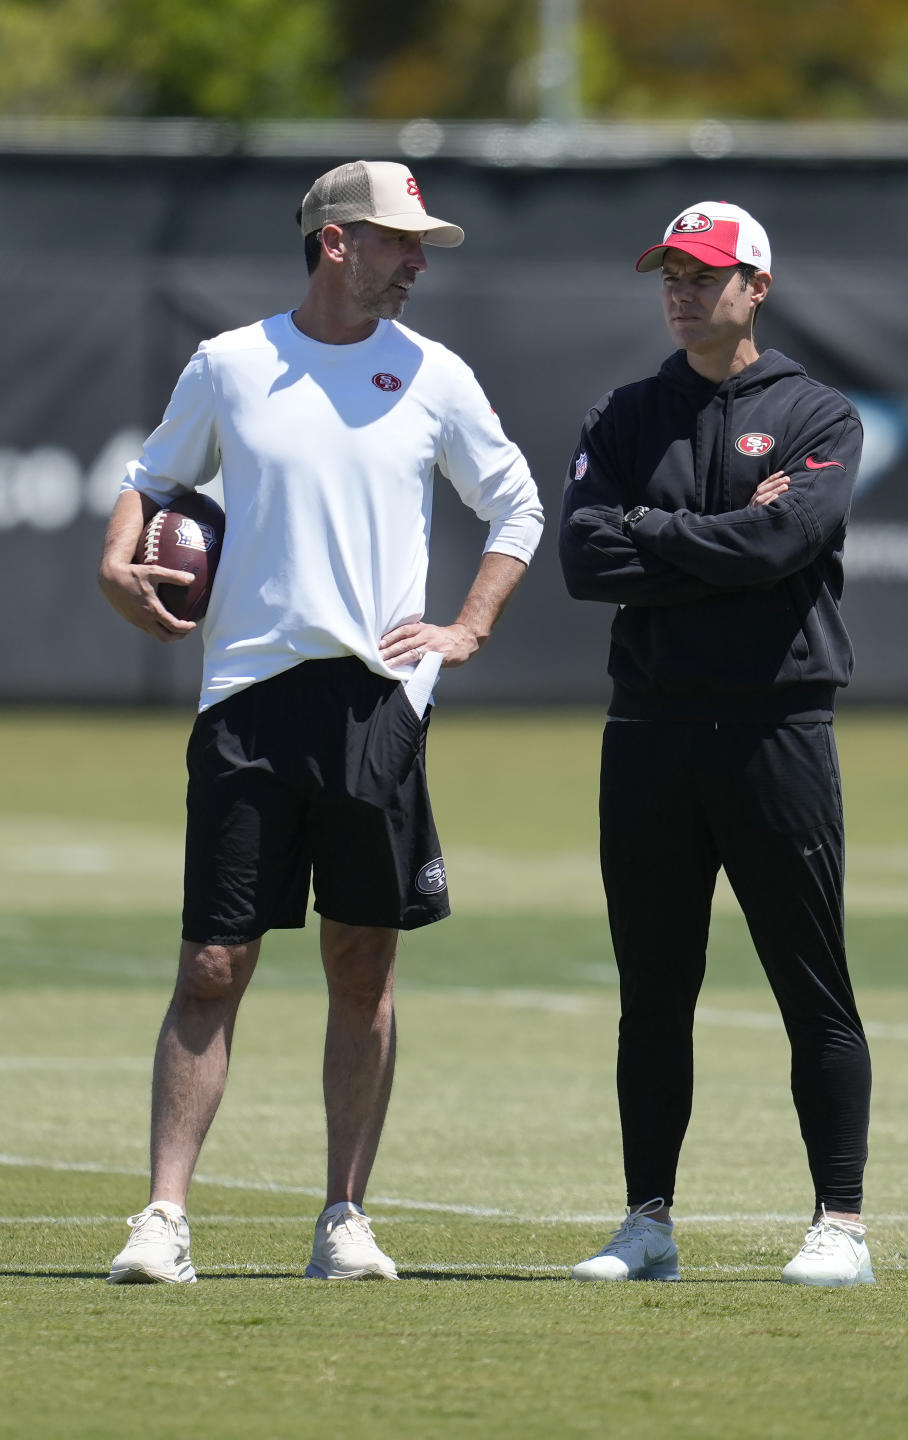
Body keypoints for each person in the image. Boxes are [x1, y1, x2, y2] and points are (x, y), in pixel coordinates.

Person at [98, 160, 543, 1284]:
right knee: (212, 962)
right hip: (247, 699)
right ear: (336, 242)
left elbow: (516, 502)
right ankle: (163, 1219)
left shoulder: (433, 375)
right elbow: (153, 479)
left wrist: (467, 628)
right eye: (400, 241)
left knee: (363, 967)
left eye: (421, 244)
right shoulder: (231, 365)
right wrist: (117, 555)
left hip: (376, 707)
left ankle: (344, 1216)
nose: (416, 260)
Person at [558, 200, 873, 1287]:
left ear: (756, 287)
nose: (682, 291)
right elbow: (585, 560)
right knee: (653, 990)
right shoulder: (627, 410)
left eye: (704, 274)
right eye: (670, 275)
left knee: (810, 984)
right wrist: (710, 541)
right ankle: (647, 1223)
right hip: (647, 733)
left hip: (774, 729)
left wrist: (657, 533)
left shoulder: (818, 414)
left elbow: (788, 539)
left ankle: (841, 1223)